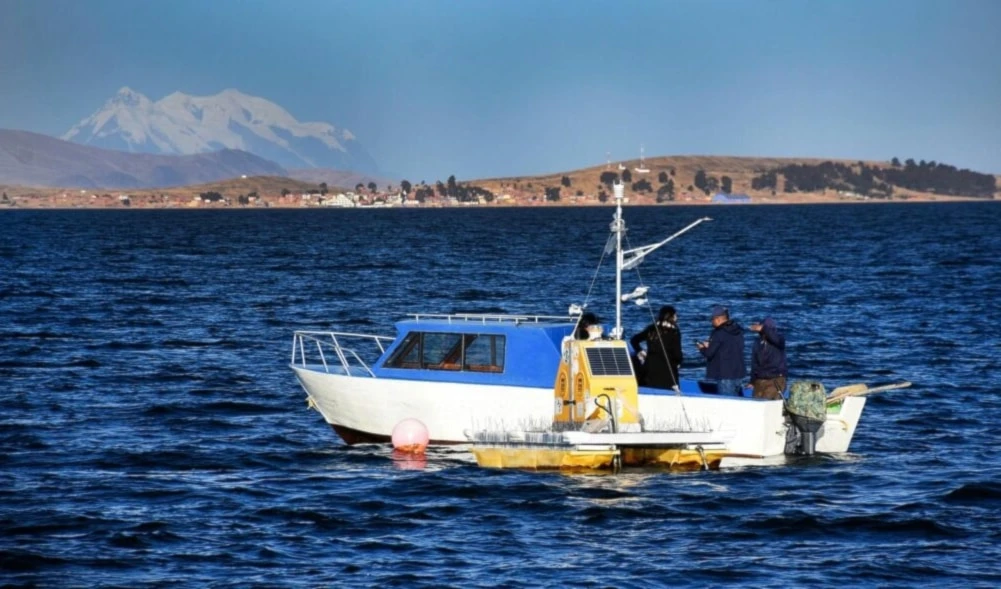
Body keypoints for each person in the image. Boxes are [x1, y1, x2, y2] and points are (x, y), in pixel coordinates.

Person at [631, 305, 683, 390]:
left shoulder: (651, 328)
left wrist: (640, 351)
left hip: (649, 368)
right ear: (671, 317)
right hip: (667, 372)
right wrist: (678, 362)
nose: (676, 317)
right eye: (675, 315)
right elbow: (678, 354)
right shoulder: (674, 331)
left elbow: (634, 340)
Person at [696, 305, 745, 395]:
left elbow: (709, 354)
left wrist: (702, 348)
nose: (712, 322)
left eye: (712, 319)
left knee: (727, 403)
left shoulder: (718, 333)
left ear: (718, 319)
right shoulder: (738, 331)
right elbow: (734, 347)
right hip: (738, 374)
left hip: (724, 375)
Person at [749, 317, 787, 400]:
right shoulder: (757, 342)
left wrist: (763, 328)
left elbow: (774, 337)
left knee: (769, 403)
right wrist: (752, 381)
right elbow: (754, 363)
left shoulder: (779, 340)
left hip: (775, 379)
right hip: (760, 380)